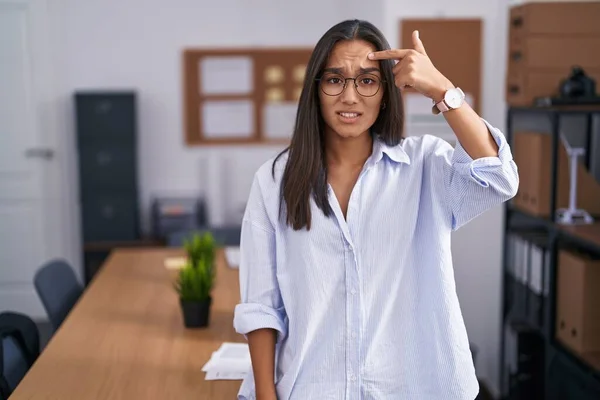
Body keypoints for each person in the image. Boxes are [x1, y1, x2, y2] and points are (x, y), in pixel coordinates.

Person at [233, 19, 518, 400]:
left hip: (412, 389)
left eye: (367, 81)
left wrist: (440, 89)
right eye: (335, 79)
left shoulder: (424, 165)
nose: (350, 97)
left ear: (385, 93)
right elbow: (261, 308)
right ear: (315, 91)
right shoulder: (274, 183)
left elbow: (500, 178)